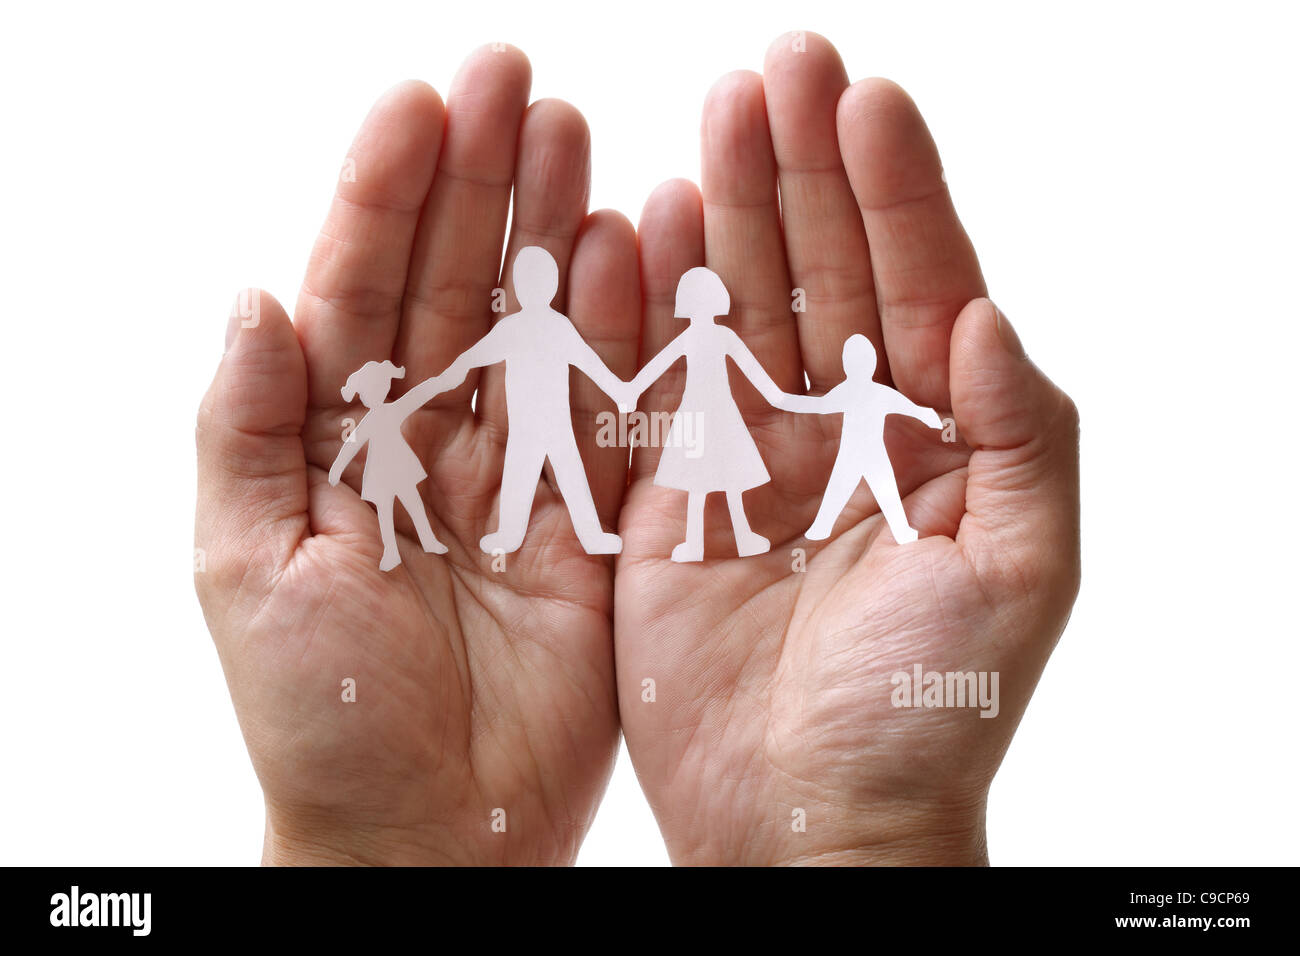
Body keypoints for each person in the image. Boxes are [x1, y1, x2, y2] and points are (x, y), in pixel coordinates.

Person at [195, 37, 1081, 866]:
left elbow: (678, 373)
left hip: (643, 424)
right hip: (591, 425)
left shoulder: (658, 341)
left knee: (593, 488)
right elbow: (500, 361)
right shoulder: (541, 334)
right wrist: (367, 839)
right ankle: (551, 536)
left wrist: (863, 834)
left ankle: (574, 534)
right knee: (558, 492)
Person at [438, 245, 627, 555]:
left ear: (551, 286)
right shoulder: (513, 328)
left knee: (569, 475)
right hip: (527, 425)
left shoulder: (555, 327)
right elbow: (476, 354)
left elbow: (590, 363)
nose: (531, 288)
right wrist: (457, 369)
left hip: (555, 424)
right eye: (526, 281)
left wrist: (619, 390)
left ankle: (590, 537)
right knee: (522, 475)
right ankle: (510, 535)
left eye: (536, 281)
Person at [625, 266, 786, 561]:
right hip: (713, 411)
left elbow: (656, 367)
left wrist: (631, 391)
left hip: (707, 411)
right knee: (721, 479)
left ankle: (704, 543)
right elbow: (658, 365)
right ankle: (719, 541)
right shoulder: (715, 336)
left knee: (706, 481)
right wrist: (631, 390)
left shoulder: (704, 336)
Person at [776, 334, 943, 543]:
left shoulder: (871, 392)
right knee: (852, 492)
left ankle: (898, 532)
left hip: (866, 455)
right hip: (858, 454)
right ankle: (823, 529)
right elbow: (819, 406)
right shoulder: (863, 391)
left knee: (881, 492)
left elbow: (911, 409)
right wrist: (784, 401)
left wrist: (784, 401)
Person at [328, 360, 449, 570]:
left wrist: (437, 384)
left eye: (374, 389)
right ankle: (391, 552)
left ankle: (429, 541)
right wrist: (337, 467)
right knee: (385, 512)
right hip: (380, 473)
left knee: (414, 505)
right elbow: (352, 444)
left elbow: (415, 397)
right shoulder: (370, 420)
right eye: (365, 393)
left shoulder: (393, 410)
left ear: (385, 387)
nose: (370, 396)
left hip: (400, 467)